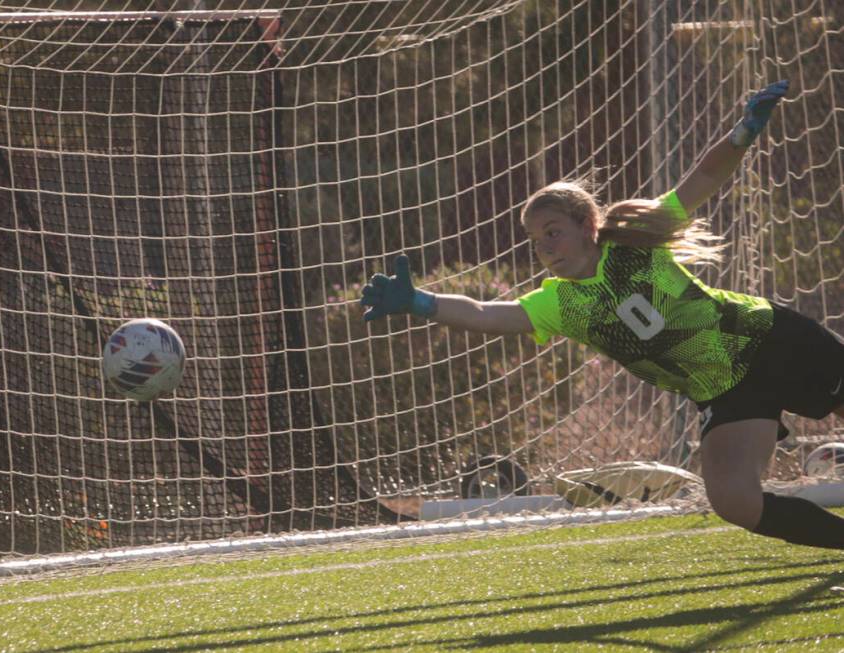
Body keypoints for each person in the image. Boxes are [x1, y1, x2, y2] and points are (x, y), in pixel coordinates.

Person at [360, 80, 844, 549]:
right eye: (535, 241)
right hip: (726, 389)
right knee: (734, 501)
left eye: (553, 232)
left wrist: (743, 133)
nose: (545, 248)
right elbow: (486, 312)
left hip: (768, 340)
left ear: (587, 225)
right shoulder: (562, 302)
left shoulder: (637, 240)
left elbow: (703, 178)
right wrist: (421, 303)